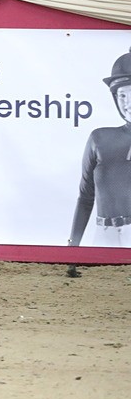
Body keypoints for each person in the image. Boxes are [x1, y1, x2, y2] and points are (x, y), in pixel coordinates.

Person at [68, 46, 131, 248]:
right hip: (103, 236)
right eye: (122, 95)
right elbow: (86, 198)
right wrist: (72, 248)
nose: (128, 102)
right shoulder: (99, 138)